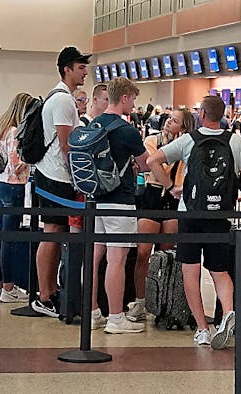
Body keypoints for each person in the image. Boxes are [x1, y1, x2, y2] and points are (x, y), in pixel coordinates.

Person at [147, 95, 241, 349]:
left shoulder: (189, 140)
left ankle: (202, 329)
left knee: (190, 271)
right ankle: (228, 312)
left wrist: (171, 188)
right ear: (224, 115)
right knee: (219, 271)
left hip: (190, 214)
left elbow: (153, 161)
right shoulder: (236, 141)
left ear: (202, 115)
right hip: (220, 215)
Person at [87, 78, 152, 334]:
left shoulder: (95, 123)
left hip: (95, 199)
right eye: (133, 99)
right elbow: (145, 163)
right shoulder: (126, 130)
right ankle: (116, 317)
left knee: (94, 258)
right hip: (119, 199)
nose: (134, 104)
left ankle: (93, 312)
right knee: (117, 259)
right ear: (124, 98)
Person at [29, 47, 91, 318]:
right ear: (67, 68)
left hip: (52, 174)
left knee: (54, 233)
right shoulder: (63, 101)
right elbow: (68, 146)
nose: (85, 71)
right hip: (55, 176)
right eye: (80, 67)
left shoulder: (60, 97)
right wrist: (80, 178)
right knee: (52, 233)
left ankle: (50, 291)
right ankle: (45, 295)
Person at [132, 108, 194, 322]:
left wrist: (165, 172)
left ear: (184, 127)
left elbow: (170, 169)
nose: (168, 122)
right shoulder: (151, 140)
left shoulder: (187, 144)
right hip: (152, 195)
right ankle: (139, 300)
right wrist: (167, 178)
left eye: (174, 120)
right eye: (168, 119)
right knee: (143, 253)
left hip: (174, 199)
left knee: (167, 255)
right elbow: (155, 166)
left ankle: (165, 302)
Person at [0, 93, 34, 304]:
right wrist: (30, 160)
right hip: (13, 185)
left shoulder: (0, 128)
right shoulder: (15, 131)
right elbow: (16, 165)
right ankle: (9, 286)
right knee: (9, 238)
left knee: (0, 236)